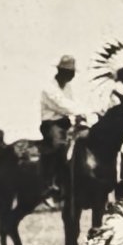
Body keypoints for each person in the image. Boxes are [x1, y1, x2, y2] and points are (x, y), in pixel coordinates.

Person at [40, 55, 86, 197]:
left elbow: (72, 104)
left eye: (72, 72)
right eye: (69, 72)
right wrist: (83, 112)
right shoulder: (49, 88)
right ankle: (51, 182)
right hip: (51, 124)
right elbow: (62, 105)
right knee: (59, 146)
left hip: (65, 123)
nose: (72, 75)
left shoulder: (67, 87)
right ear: (61, 71)